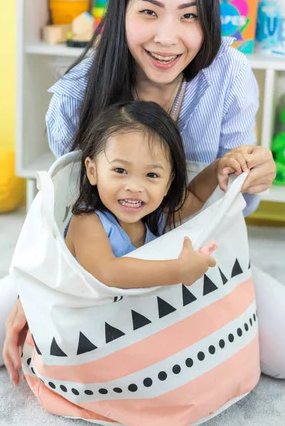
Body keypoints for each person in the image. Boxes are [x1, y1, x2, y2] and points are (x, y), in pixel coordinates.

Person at [0, 0, 285, 387]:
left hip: (193, 251)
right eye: (149, 12)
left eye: (189, 16)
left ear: (208, 19)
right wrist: (37, 292)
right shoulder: (76, 97)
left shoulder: (229, 74)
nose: (167, 38)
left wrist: (246, 173)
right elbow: (63, 213)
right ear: (120, 14)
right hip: (92, 266)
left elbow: (217, 209)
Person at [64, 100, 246, 288]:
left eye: (151, 175)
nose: (134, 187)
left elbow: (195, 196)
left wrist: (217, 168)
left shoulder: (155, 217)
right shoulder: (86, 222)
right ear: (92, 172)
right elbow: (107, 273)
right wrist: (180, 270)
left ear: (168, 182)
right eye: (120, 170)